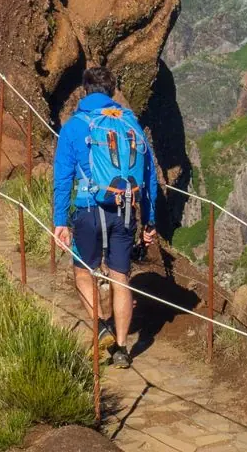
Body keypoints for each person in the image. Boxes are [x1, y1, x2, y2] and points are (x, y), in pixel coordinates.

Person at [52, 67, 159, 369]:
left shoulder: (74, 126)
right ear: (112, 92)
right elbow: (149, 178)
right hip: (124, 212)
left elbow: (63, 178)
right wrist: (149, 222)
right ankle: (123, 349)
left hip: (87, 209)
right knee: (120, 278)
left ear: (85, 91)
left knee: (83, 273)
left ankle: (101, 326)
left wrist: (60, 221)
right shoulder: (131, 124)